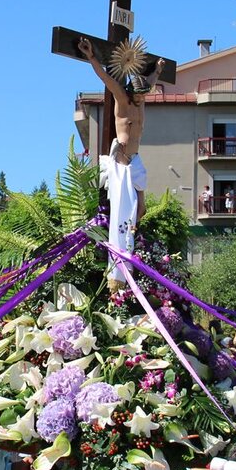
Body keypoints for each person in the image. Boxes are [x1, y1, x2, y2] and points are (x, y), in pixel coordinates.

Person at [77, 35, 164, 288]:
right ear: (131, 92)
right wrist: (92, 56)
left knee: (141, 210)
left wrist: (157, 70)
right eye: (139, 96)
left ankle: (129, 249)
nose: (141, 99)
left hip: (135, 161)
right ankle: (115, 271)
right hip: (121, 163)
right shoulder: (122, 100)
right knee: (120, 211)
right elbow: (106, 78)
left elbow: (149, 81)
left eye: (143, 96)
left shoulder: (141, 99)